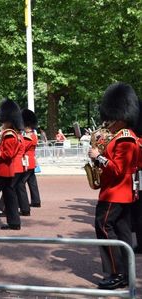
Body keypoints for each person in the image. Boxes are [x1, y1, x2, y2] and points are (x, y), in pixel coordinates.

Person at [88, 82, 139, 290]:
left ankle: (115, 273)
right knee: (122, 230)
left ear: (121, 116)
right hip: (120, 192)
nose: (108, 121)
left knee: (104, 227)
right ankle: (126, 273)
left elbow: (118, 169)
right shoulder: (120, 137)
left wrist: (98, 157)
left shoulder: (125, 139)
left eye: (111, 117)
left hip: (114, 194)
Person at [0, 99, 23, 230]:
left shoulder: (9, 135)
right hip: (8, 170)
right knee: (10, 197)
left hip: (2, 170)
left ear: (9, 120)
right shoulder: (12, 134)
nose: (2, 123)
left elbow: (7, 154)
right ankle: (14, 222)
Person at [20, 109, 42, 208]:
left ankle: (23, 206)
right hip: (32, 161)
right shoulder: (33, 135)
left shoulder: (29, 137)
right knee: (32, 182)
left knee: (20, 183)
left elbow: (22, 148)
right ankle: (36, 201)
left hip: (27, 162)